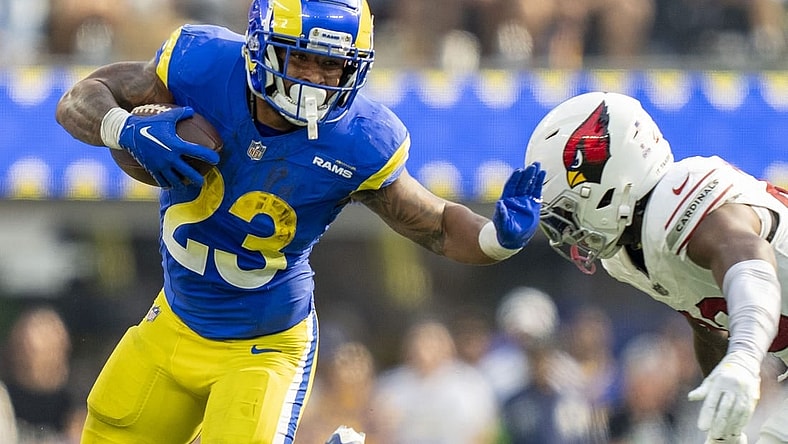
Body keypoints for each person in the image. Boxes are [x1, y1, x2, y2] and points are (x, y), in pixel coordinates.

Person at [54, 0, 544, 442]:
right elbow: (82, 96)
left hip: (263, 347)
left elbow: (433, 223)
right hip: (175, 321)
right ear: (260, 46)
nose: (314, 79)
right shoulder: (201, 65)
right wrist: (122, 129)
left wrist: (494, 239)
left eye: (331, 64)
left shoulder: (359, 140)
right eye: (301, 57)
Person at [523, 91, 788, 443]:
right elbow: (708, 322)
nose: (570, 233)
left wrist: (744, 357)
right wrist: (726, 415)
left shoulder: (679, 200)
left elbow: (752, 264)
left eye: (570, 213)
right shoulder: (627, 256)